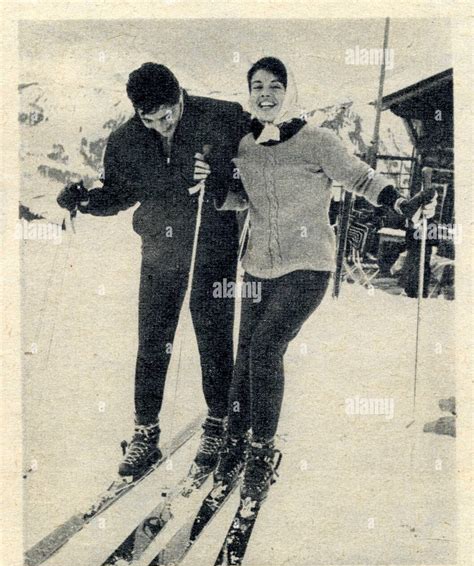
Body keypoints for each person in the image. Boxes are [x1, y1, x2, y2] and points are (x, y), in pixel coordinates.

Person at [212, 57, 437, 504]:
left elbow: (360, 176)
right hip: (257, 265)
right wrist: (211, 188)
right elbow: (240, 198)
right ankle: (234, 440)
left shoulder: (318, 141)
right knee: (245, 356)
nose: (266, 94)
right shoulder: (244, 147)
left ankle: (261, 452)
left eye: (275, 85)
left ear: (290, 91)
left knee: (264, 348)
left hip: (308, 266)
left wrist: (400, 203)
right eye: (257, 86)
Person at [57, 63, 249, 479]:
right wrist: (86, 200)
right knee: (152, 341)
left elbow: (256, 168)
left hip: (211, 244)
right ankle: (145, 432)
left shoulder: (223, 115)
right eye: (151, 119)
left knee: (213, 338)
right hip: (160, 251)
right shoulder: (126, 140)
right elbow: (120, 193)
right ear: (137, 114)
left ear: (180, 95)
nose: (163, 125)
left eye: (169, 114)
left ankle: (218, 424)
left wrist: (219, 176)